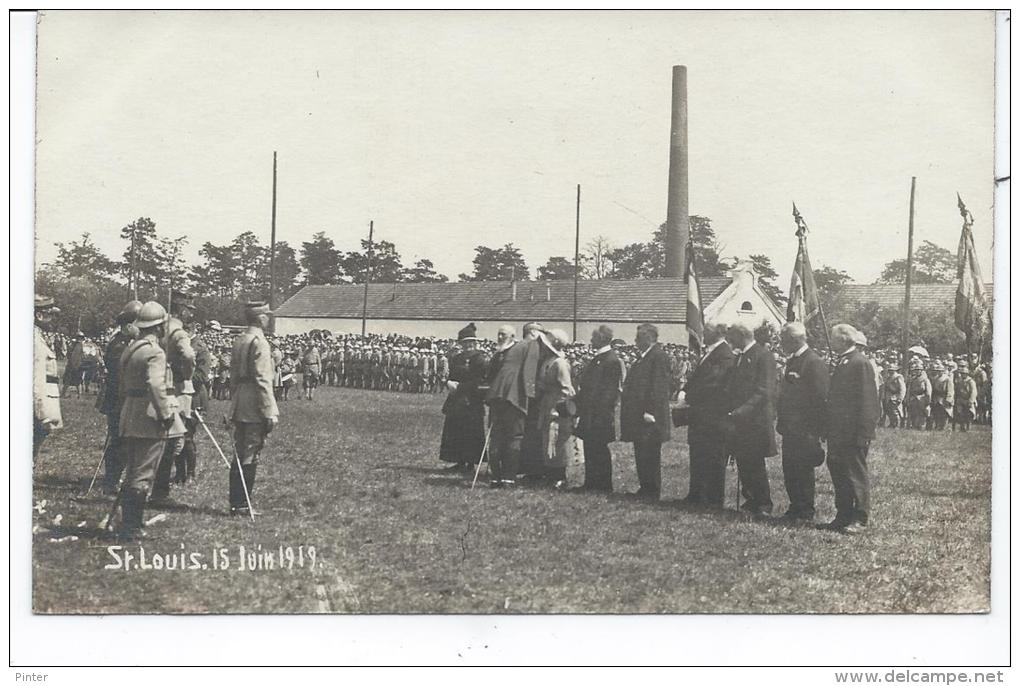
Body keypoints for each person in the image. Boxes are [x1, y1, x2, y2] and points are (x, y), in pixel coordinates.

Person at [114, 301, 186, 539]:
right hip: (148, 417)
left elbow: (123, 385)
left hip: (129, 413)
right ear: (159, 326)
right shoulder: (155, 352)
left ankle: (127, 522)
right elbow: (156, 385)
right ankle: (131, 527)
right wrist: (165, 414)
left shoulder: (131, 348)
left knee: (133, 470)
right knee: (143, 474)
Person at [821, 324, 881, 534]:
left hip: (852, 431)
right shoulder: (845, 361)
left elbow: (868, 400)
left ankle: (859, 517)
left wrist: (864, 432)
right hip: (838, 431)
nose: (831, 341)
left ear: (844, 340)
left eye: (834, 338)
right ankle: (843, 513)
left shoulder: (859, 363)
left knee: (855, 473)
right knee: (839, 472)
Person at [228, 301, 280, 516]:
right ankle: (242, 504)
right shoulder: (260, 342)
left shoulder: (240, 339)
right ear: (260, 318)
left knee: (240, 451)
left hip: (240, 400)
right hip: (254, 403)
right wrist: (270, 410)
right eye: (267, 315)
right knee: (250, 451)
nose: (269, 318)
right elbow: (263, 379)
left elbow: (232, 375)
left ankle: (236, 502)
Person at [775, 322, 829, 522]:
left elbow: (820, 398)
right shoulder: (795, 361)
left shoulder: (813, 362)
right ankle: (795, 506)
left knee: (803, 469)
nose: (781, 343)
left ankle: (805, 510)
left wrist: (815, 431)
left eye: (784, 340)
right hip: (790, 427)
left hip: (805, 428)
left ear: (795, 340)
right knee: (790, 468)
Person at [723, 322, 778, 517]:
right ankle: (751, 499)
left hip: (755, 419)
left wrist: (743, 410)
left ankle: (763, 503)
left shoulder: (763, 356)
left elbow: (764, 390)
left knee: (755, 462)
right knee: (744, 461)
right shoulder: (742, 356)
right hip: (740, 419)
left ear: (741, 335)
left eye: (732, 337)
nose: (729, 341)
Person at [680, 321, 735, 509]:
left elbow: (713, 383)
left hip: (712, 415)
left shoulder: (724, 354)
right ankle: (696, 494)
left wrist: (690, 395)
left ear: (717, 333)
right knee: (698, 454)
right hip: (701, 414)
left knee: (713, 457)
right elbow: (699, 378)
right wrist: (686, 391)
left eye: (706, 331)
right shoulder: (712, 352)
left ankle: (712, 498)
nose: (703, 334)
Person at [150, 291, 197, 505]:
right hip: (176, 387)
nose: (191, 316)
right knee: (175, 439)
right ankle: (161, 490)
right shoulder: (178, 333)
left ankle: (158, 484)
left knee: (162, 437)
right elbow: (188, 356)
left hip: (160, 386)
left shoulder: (160, 328)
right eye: (190, 311)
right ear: (182, 309)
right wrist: (185, 373)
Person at [619, 323, 671, 500]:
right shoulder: (644, 357)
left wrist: (650, 411)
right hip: (639, 414)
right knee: (641, 451)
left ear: (649, 338)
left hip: (650, 416)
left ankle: (651, 490)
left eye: (638, 338)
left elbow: (658, 387)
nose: (635, 341)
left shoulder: (658, 357)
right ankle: (645, 487)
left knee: (650, 453)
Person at [485, 324, 540, 488]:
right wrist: (531, 395)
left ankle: (497, 477)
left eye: (503, 334)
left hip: (499, 396)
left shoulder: (506, 352)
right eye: (499, 334)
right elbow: (530, 373)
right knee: (511, 437)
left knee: (498, 436)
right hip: (513, 398)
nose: (500, 337)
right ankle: (506, 477)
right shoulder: (529, 346)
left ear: (513, 336)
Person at [96, 300, 141, 493]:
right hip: (117, 400)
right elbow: (122, 373)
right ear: (129, 324)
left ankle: (114, 478)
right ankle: (111, 481)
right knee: (118, 441)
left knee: (123, 440)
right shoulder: (119, 345)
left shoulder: (126, 342)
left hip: (122, 399)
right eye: (138, 324)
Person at [573, 325, 623, 493]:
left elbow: (609, 392)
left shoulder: (611, 360)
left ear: (601, 339)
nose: (591, 341)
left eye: (593, 338)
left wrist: (599, 413)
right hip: (590, 412)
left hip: (599, 414)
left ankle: (602, 484)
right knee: (590, 447)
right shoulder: (599, 358)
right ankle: (591, 482)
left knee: (599, 449)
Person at [438, 323, 490, 473]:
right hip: (456, 401)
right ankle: (458, 460)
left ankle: (470, 463)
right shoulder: (456, 358)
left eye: (470, 343)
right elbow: (451, 375)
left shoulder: (480, 360)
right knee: (455, 431)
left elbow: (481, 382)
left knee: (471, 432)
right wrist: (448, 383)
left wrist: (460, 387)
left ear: (475, 343)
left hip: (472, 401)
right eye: (464, 343)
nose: (467, 346)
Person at [534, 329, 576, 488]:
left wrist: (559, 408)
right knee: (548, 439)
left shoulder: (560, 363)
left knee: (557, 440)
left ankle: (560, 476)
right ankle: (550, 474)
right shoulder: (548, 361)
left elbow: (567, 389)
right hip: (546, 402)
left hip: (556, 405)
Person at [33, 295, 63, 457]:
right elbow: (37, 380)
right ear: (39, 316)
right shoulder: (36, 342)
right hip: (38, 406)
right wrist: (42, 414)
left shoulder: (38, 338)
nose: (53, 319)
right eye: (50, 314)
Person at [518, 322, 547, 481]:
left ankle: (534, 469)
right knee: (530, 433)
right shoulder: (532, 348)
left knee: (532, 433)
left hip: (532, 396)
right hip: (532, 396)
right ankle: (531, 468)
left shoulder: (527, 348)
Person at [905, 357, 931, 430]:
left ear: (922, 370)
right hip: (913, 398)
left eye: (919, 370)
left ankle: (921, 426)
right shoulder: (912, 379)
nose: (917, 371)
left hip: (922, 398)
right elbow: (909, 390)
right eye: (916, 370)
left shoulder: (925, 380)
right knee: (913, 412)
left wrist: (927, 401)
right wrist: (908, 398)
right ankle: (914, 425)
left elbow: (928, 391)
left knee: (922, 414)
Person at [928, 361, 954, 430]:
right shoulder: (935, 379)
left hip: (944, 398)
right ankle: (937, 425)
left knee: (944, 413)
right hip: (936, 398)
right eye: (938, 371)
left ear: (943, 371)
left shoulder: (947, 379)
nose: (939, 372)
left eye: (940, 371)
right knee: (936, 412)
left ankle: (943, 426)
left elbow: (950, 391)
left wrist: (948, 399)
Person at [879, 362, 906, 429]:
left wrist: (900, 398)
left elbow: (902, 388)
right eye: (889, 370)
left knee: (895, 411)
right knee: (889, 411)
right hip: (888, 397)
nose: (890, 371)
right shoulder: (888, 378)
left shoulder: (898, 377)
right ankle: (892, 423)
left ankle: (897, 424)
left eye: (892, 370)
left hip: (895, 396)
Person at [952, 365, 977, 432]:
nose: (963, 375)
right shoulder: (959, 380)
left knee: (969, 414)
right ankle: (962, 427)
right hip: (960, 400)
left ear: (967, 374)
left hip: (968, 399)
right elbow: (956, 390)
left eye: (964, 374)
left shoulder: (971, 381)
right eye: (962, 373)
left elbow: (973, 392)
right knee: (960, 414)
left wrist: (971, 400)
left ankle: (968, 427)